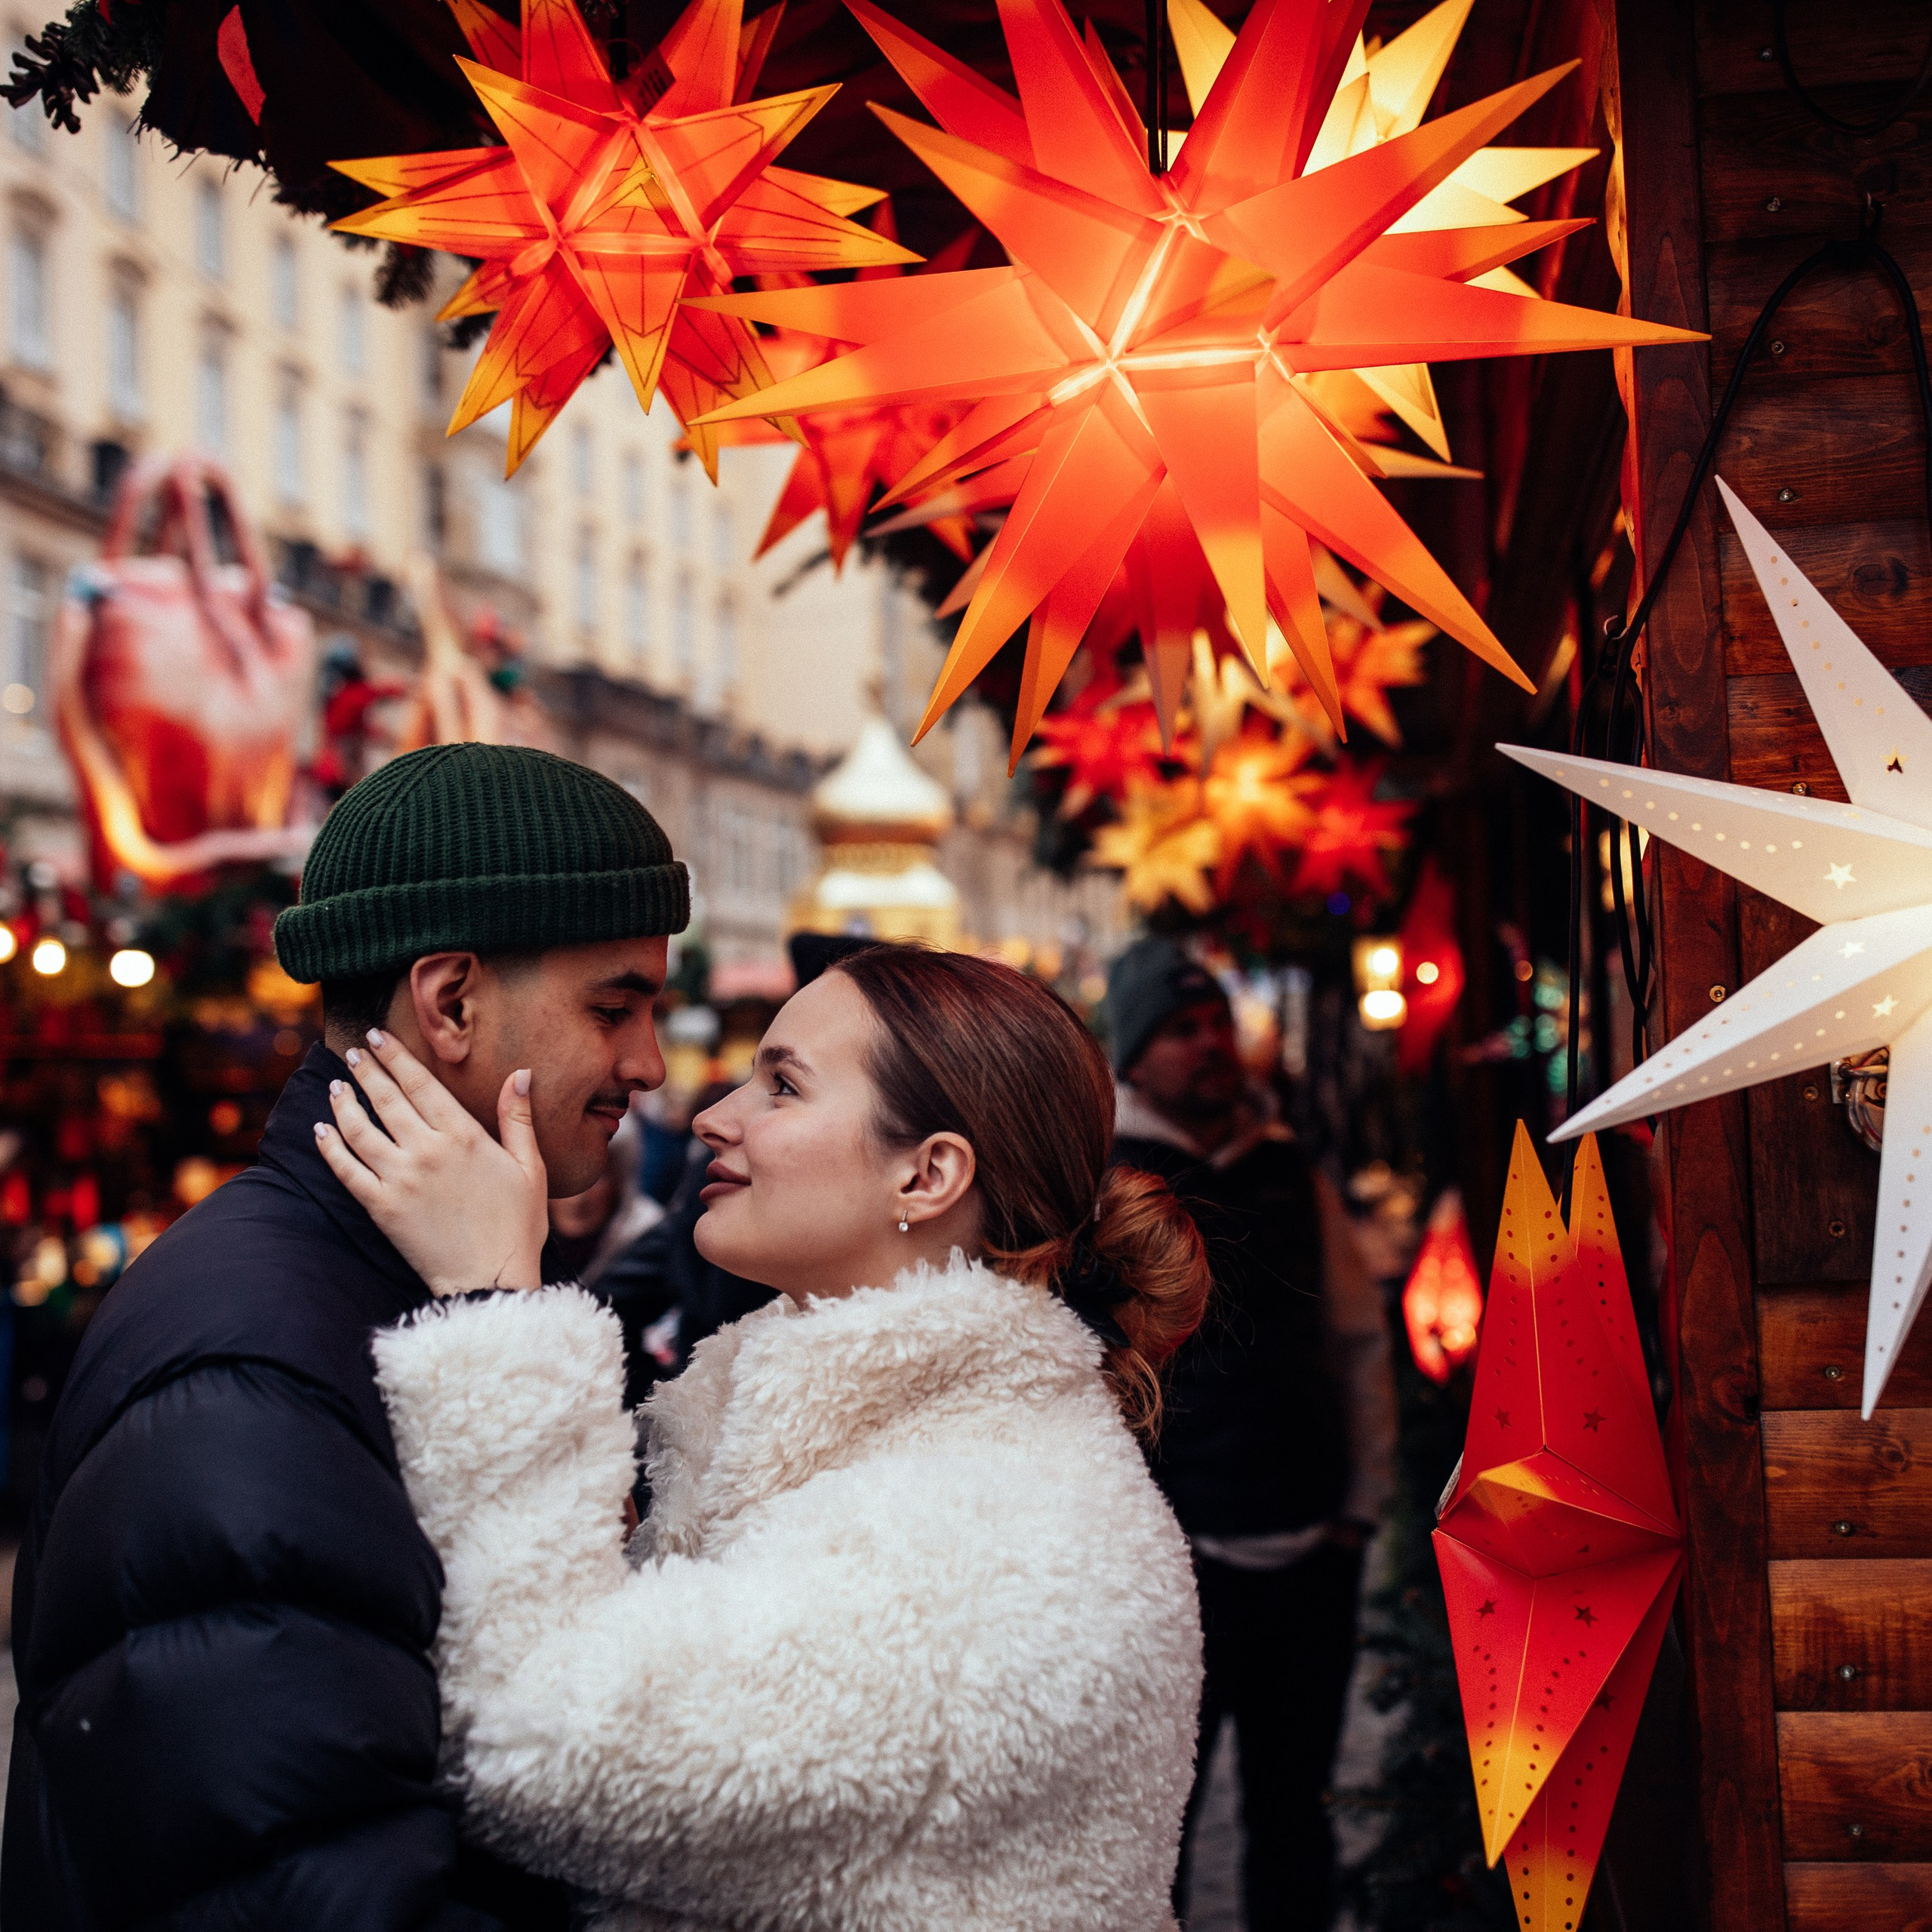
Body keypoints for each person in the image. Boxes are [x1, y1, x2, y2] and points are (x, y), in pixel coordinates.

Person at [315, 945, 1211, 1932]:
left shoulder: (991, 1538)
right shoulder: (888, 1444)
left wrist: (494, 1301)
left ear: (927, 1174)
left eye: (782, 1086)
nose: (714, 1116)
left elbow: (533, 1740)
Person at [2, 742, 690, 1931]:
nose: (650, 1065)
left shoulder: (389, 1285)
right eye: (614, 1008)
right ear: (452, 1001)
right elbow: (305, 1890)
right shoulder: (254, 1361)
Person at [1106, 937, 1398, 1932]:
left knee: (1294, 1815)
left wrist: (1359, 1509)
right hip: (1176, 1561)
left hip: (1310, 1548)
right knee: (1158, 1829)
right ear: (1135, 1057)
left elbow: (1356, 1338)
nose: (1208, 1044)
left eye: (1217, 1023)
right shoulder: (1107, 1184)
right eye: (1180, 1029)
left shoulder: (1285, 1167)